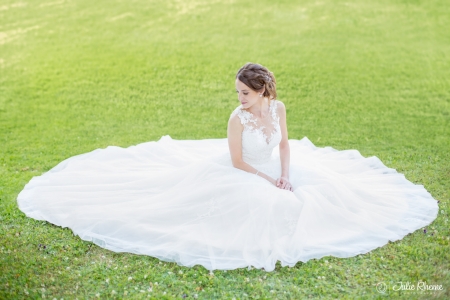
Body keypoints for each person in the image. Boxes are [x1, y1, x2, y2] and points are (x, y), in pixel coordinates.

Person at [17, 63, 439, 272]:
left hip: (273, 167)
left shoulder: (279, 108)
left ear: (263, 92)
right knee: (266, 207)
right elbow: (238, 161)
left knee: (321, 194)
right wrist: (269, 181)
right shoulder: (237, 120)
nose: (239, 97)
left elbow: (286, 144)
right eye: (237, 92)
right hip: (241, 173)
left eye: (244, 93)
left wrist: (286, 173)